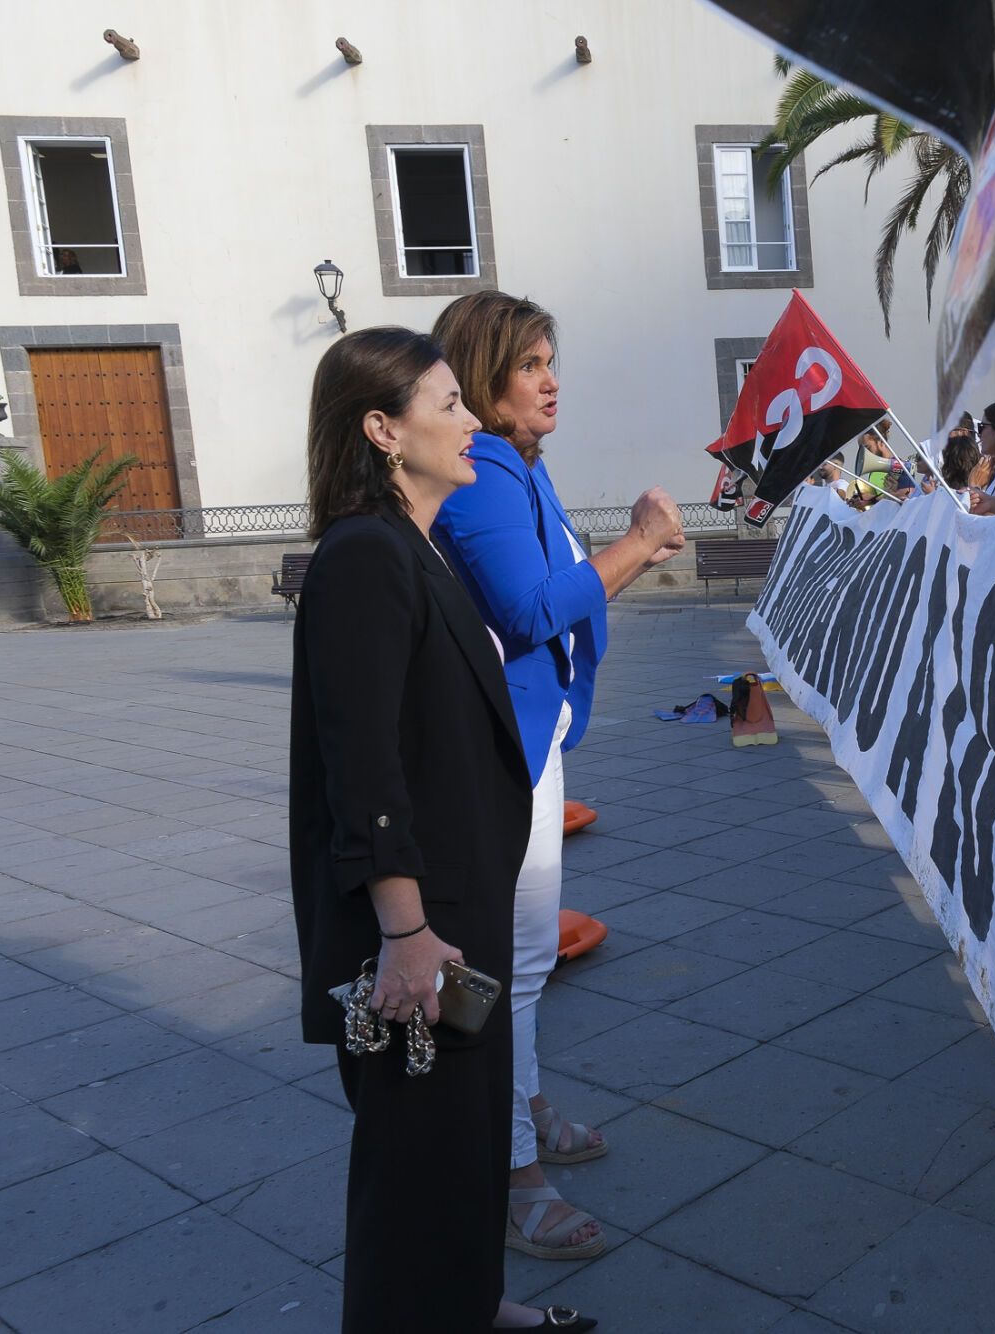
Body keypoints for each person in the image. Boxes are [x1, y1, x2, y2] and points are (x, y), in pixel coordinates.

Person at [291, 326, 592, 1331]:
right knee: (414, 1156)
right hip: (421, 929)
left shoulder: (412, 546)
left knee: (463, 1132)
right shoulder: (364, 558)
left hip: (458, 907)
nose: (472, 423)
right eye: (447, 404)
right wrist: (405, 932)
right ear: (382, 429)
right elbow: (361, 761)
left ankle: (472, 1302)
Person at [430, 291, 684, 1264]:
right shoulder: (489, 467)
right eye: (530, 362)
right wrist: (642, 540)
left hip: (530, 736)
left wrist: (622, 540)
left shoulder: (515, 464)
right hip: (503, 745)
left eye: (551, 359)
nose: (552, 379)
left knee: (524, 957)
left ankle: (523, 1112)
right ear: (485, 372)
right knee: (510, 959)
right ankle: (509, 1172)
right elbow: (529, 607)